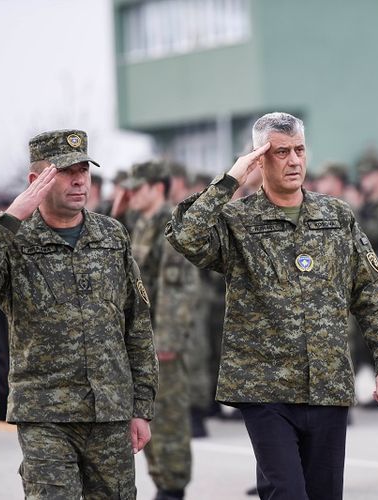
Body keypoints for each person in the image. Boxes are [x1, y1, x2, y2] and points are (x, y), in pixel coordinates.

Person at [165, 112, 378, 499]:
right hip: (264, 386)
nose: (294, 161)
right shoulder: (237, 220)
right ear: (259, 158)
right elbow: (186, 237)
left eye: (299, 150)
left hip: (327, 383)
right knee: (286, 492)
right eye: (281, 152)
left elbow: (373, 292)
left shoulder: (336, 215)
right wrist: (230, 181)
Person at [0, 129, 158, 499]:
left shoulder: (112, 236)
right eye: (64, 171)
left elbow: (136, 324)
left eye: (84, 169)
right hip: (45, 413)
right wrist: (11, 217)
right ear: (36, 181)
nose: (78, 179)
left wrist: (141, 407)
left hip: (109, 411)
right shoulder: (13, 239)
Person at [124, 161, 205, 499]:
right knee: (146, 417)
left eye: (138, 188)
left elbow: (178, 288)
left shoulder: (171, 226)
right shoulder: (142, 224)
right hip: (143, 343)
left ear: (158, 188)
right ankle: (162, 481)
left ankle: (172, 487)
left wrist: (166, 342)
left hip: (162, 344)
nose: (131, 195)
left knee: (168, 417)